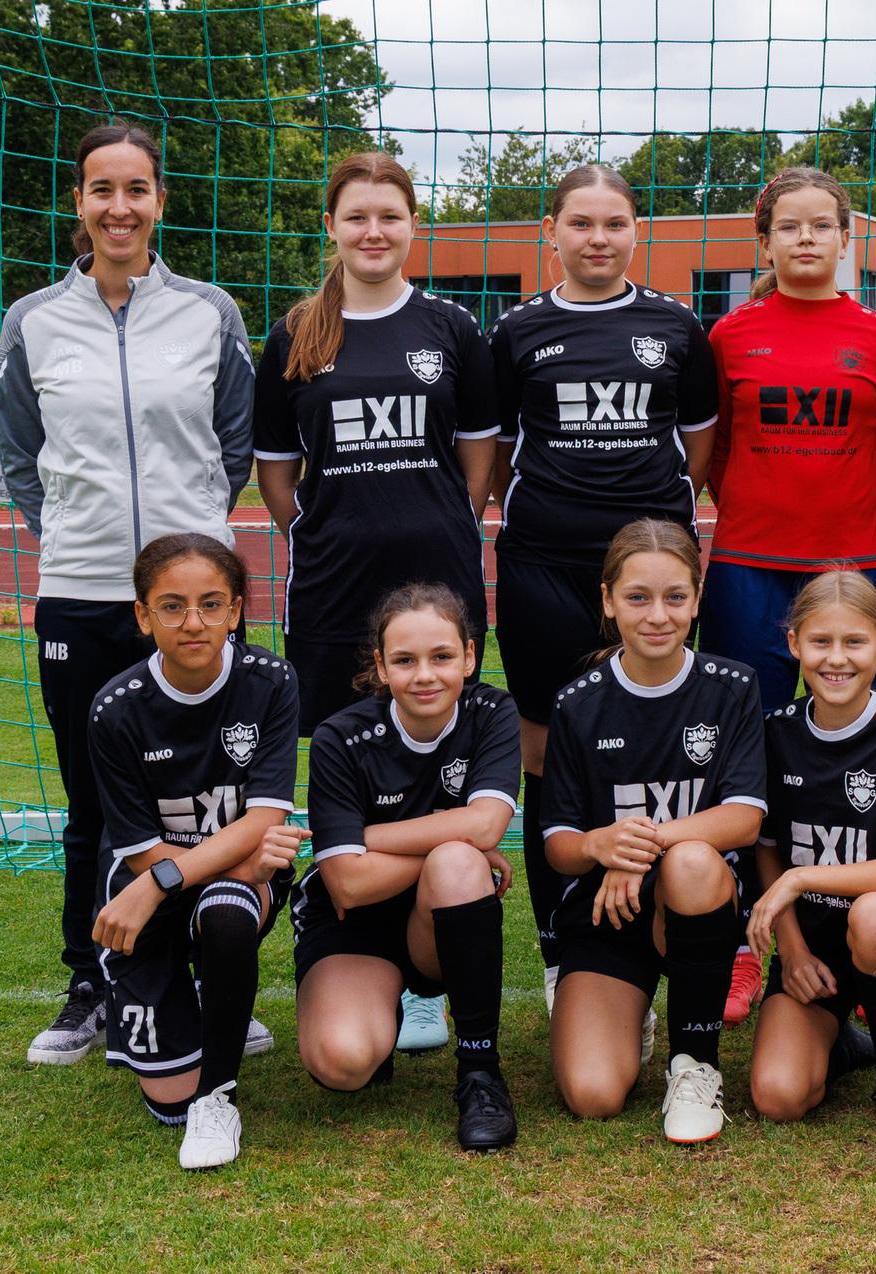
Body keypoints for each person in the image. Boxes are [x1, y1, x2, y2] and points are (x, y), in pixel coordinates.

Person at [0, 122, 259, 1066]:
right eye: (101, 189)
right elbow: (20, 457)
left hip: (192, 598)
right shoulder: (33, 321)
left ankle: (207, 975)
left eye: (136, 189)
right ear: (78, 201)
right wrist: (78, 537)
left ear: (159, 201)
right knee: (92, 805)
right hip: (79, 593)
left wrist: (190, 551)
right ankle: (90, 984)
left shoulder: (209, 312)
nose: (119, 207)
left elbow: (233, 444)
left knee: (208, 799)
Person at [254, 151, 499, 1051]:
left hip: (437, 584)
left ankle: (423, 971)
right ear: (331, 226)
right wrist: (328, 530)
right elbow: (277, 474)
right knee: (346, 759)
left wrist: (431, 523)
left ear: (411, 225)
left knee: (432, 753)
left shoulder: (451, 328)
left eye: (389, 215)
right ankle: (343, 927)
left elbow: (477, 458)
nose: (373, 231)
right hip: (334, 592)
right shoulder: (295, 334)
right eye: (356, 215)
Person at [486, 164, 719, 1016]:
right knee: (548, 752)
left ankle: (660, 928)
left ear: (635, 232)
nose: (597, 239)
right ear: (549, 232)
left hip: (648, 571)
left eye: (613, 223)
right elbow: (499, 450)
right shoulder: (516, 330)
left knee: (657, 747)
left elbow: (697, 442)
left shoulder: (675, 326)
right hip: (543, 566)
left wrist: (653, 524)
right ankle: (562, 947)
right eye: (580, 223)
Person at [702, 166, 876, 1025]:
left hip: (850, 568)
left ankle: (866, 933)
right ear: (764, 242)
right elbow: (715, 452)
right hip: (748, 566)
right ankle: (739, 942)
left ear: (843, 237)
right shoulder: (728, 335)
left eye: (820, 225)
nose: (804, 239)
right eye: (787, 226)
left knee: (862, 753)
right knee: (738, 756)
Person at [541, 519, 767, 1144]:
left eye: (675, 597)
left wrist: (639, 848)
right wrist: (597, 844)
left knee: (691, 860)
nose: (658, 615)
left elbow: (744, 817)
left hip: (695, 899)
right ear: (609, 601)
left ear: (697, 600)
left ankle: (695, 1064)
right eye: (638, 597)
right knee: (592, 1095)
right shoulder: (577, 703)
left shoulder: (732, 687)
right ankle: (630, 1013)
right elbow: (559, 846)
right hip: (609, 913)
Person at [88, 533, 305, 1171]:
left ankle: (218, 1097)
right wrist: (215, 867)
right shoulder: (115, 710)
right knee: (167, 1102)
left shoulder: (271, 681)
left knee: (228, 910)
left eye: (211, 604)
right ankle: (196, 1000)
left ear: (235, 611)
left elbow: (265, 818)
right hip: (148, 881)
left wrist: (165, 881)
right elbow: (139, 854)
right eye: (172, 606)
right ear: (143, 616)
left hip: (195, 882)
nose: (193, 622)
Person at [290, 584, 522, 1152]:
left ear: (469, 656)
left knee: (459, 863)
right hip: (354, 925)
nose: (425, 675)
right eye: (404, 660)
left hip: (439, 920)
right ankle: (381, 1013)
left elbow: (487, 825)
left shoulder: (492, 712)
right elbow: (347, 883)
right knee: (342, 1064)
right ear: (380, 666)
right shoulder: (340, 737)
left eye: (442, 656)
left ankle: (480, 1072)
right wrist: (453, 836)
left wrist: (366, 839)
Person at [747, 572, 876, 1138]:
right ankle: (839, 1043)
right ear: (794, 644)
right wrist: (792, 951)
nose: (836, 659)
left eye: (854, 642)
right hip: (813, 944)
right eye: (820, 642)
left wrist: (802, 879)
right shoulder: (774, 733)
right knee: (779, 1095)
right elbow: (767, 851)